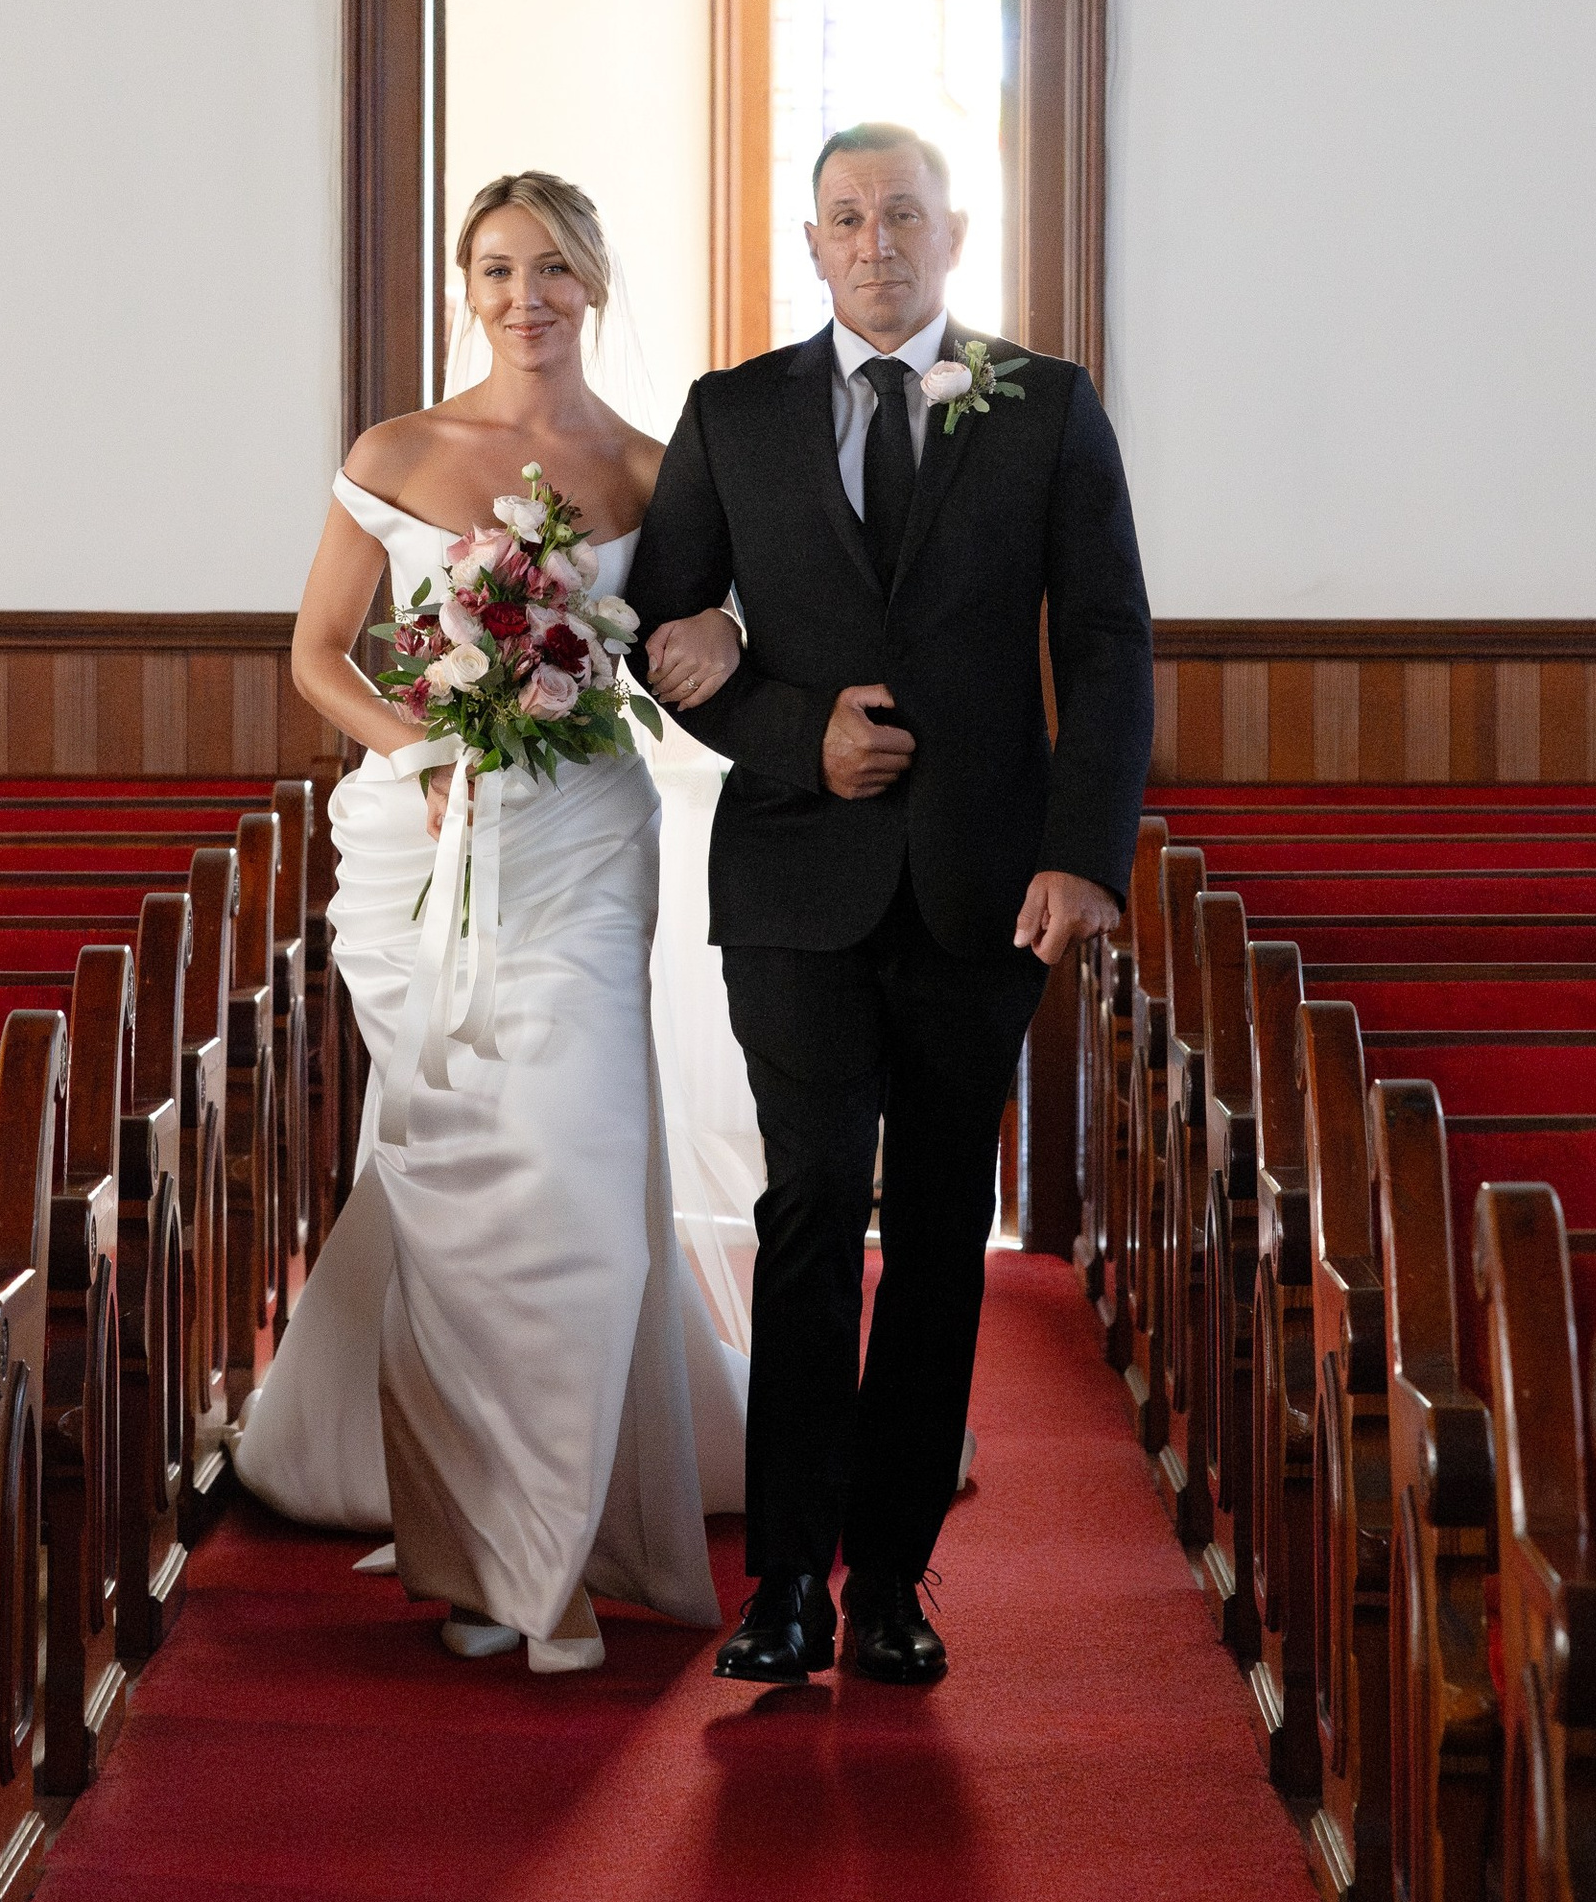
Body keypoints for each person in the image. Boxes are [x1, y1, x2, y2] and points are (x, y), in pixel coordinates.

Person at [628, 122, 1153, 1689]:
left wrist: (1085, 855)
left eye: (904, 212)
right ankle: (783, 1577)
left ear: (955, 227)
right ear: (812, 244)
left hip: (988, 891)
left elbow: (1112, 643)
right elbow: (666, 619)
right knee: (805, 1216)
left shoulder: (1047, 404)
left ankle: (892, 1581)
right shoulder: (732, 415)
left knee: (937, 1233)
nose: (878, 240)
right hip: (796, 879)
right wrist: (799, 733)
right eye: (848, 217)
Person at [230, 171, 747, 1673]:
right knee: (459, 1198)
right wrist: (427, 749)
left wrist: (723, 640)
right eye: (500, 268)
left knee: (575, 1191)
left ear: (595, 283)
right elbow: (320, 654)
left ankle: (556, 1546)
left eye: (556, 268)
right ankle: (485, 1548)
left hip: (585, 845)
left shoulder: (658, 472)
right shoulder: (399, 449)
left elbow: (679, 654)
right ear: (468, 285)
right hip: (421, 859)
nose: (530, 294)